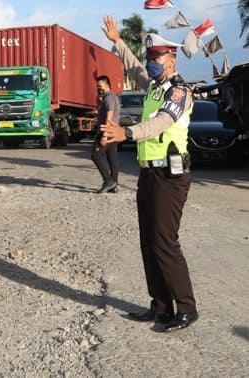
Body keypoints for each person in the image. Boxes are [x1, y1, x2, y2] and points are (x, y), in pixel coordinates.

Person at [101, 17, 197, 332]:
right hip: (148, 175)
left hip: (171, 176)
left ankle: (186, 307)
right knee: (148, 241)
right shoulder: (154, 87)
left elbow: (159, 124)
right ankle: (160, 306)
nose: (151, 63)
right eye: (150, 58)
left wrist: (125, 134)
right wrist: (117, 41)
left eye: (157, 58)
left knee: (165, 241)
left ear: (172, 59)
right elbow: (133, 67)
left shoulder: (179, 92)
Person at [91, 75, 121, 194]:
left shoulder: (108, 98)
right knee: (112, 158)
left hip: (107, 132)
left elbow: (109, 116)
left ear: (107, 85)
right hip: (113, 132)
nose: (99, 89)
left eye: (100, 86)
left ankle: (108, 180)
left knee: (96, 155)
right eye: (97, 86)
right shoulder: (112, 97)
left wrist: (104, 135)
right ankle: (114, 184)